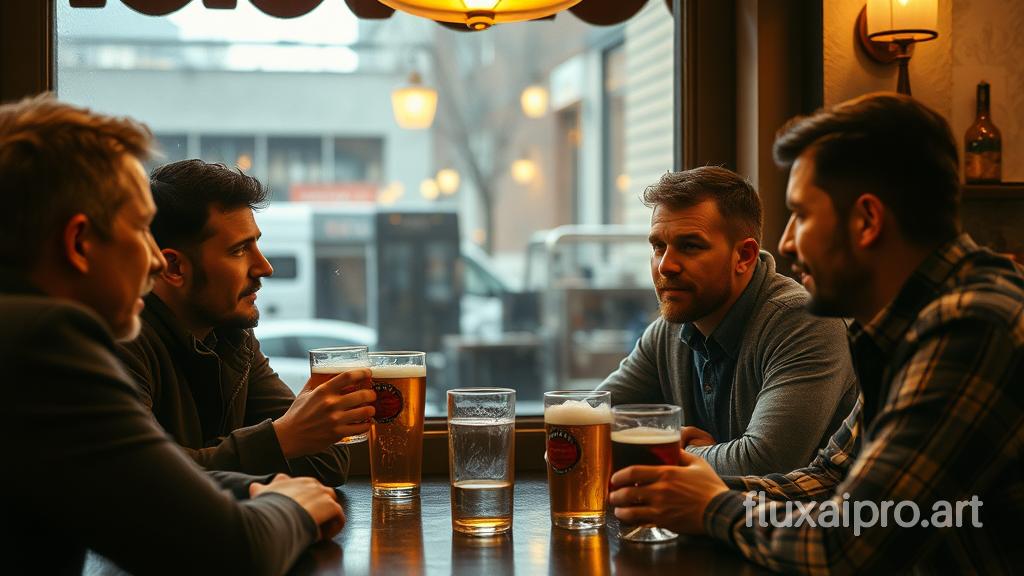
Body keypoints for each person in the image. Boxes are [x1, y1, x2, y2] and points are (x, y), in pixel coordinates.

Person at [608, 93, 1023, 573]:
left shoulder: (972, 327)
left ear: (867, 221)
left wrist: (711, 506)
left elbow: (846, 544)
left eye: (801, 215)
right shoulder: (908, 328)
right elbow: (830, 477)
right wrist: (699, 483)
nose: (784, 243)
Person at [1, 95, 345, 575]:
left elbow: (127, 483)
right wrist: (293, 506)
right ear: (80, 244)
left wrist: (243, 490)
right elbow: (231, 552)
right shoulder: (44, 344)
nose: (155, 261)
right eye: (141, 230)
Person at [115, 159, 373, 485]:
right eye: (239, 250)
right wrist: (282, 439)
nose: (264, 267)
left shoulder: (232, 336)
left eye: (257, 243)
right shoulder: (123, 342)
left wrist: (297, 431)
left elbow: (326, 463)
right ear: (174, 268)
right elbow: (143, 478)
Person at [598, 166, 857, 475]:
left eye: (690, 246)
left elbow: (763, 462)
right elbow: (590, 425)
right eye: (658, 247)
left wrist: (670, 450)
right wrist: (688, 450)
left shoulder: (805, 322)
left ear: (744, 256)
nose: (666, 266)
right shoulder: (668, 331)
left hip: (826, 521)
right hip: (709, 520)